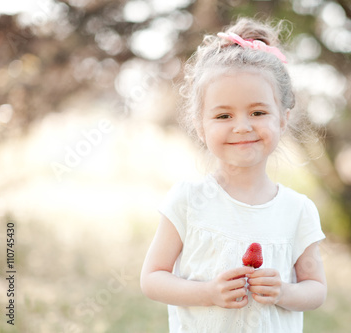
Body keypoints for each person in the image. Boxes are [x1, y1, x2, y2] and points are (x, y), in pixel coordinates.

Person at [140, 17, 327, 333]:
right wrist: (208, 292)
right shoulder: (188, 199)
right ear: (201, 125)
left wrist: (285, 292)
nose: (242, 126)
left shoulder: (298, 210)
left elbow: (316, 289)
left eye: (258, 112)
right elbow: (152, 278)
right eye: (223, 115)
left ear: (283, 118)